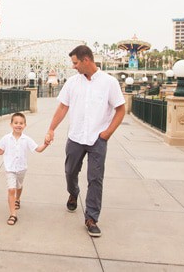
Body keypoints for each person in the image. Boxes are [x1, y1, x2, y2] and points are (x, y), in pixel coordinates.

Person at [44, 45, 125, 237]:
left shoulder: (109, 83)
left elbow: (120, 110)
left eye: (75, 63)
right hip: (76, 137)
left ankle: (91, 218)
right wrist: (51, 129)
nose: (73, 67)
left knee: (95, 179)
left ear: (86, 60)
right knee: (70, 172)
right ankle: (73, 192)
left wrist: (107, 133)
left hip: (98, 139)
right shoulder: (72, 83)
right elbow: (63, 107)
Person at [0, 112, 48, 225]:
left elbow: (38, 149)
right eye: (16, 123)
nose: (18, 125)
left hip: (22, 169)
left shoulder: (27, 139)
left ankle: (18, 199)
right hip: (10, 168)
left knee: (19, 186)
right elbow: (0, 151)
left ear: (25, 125)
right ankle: (13, 214)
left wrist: (46, 144)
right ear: (11, 124)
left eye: (21, 123)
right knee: (11, 189)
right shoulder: (6, 138)